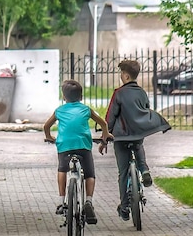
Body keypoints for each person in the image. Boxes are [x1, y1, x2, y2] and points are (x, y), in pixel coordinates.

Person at [101, 59, 171, 221]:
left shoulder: (118, 93)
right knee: (139, 147)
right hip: (137, 134)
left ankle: (124, 206)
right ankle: (144, 170)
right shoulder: (142, 92)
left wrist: (105, 136)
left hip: (121, 137)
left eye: (121, 74)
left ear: (125, 76)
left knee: (123, 172)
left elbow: (110, 117)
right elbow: (145, 108)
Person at [43, 80, 112, 225]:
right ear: (81, 97)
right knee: (89, 173)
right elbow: (103, 124)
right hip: (83, 146)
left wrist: (49, 137)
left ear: (64, 97)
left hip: (65, 146)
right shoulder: (86, 109)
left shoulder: (59, 111)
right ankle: (88, 201)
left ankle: (61, 201)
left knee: (62, 169)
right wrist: (105, 136)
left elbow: (46, 126)